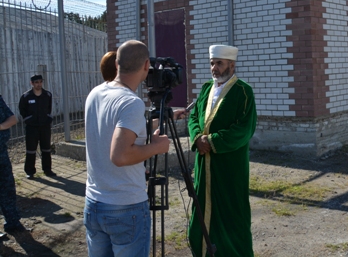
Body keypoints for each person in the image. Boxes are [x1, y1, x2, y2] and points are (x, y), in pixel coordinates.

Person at [83, 40, 171, 256]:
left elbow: (109, 131)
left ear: (117, 63)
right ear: (146, 65)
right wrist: (157, 147)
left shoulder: (95, 93)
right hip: (125, 207)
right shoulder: (131, 102)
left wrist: (157, 122)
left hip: (94, 203)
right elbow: (120, 155)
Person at [187, 45, 257, 257]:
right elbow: (193, 117)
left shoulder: (243, 91)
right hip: (203, 166)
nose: (214, 68)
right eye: (212, 63)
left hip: (229, 169)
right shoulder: (207, 88)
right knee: (201, 213)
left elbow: (244, 129)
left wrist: (213, 141)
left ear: (231, 65)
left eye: (219, 63)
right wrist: (197, 138)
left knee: (231, 216)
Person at [0, 94, 29, 240]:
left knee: (7, 188)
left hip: (1, 154)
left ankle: (12, 222)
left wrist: (1, 126)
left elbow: (12, 119)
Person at [19, 74, 54, 178]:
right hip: (32, 127)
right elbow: (22, 110)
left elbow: (49, 108)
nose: (39, 84)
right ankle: (30, 172)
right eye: (36, 82)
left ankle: (47, 170)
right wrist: (28, 120)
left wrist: (47, 118)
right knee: (31, 149)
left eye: (40, 82)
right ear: (32, 83)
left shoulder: (47, 95)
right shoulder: (26, 96)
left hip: (44, 126)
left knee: (46, 148)